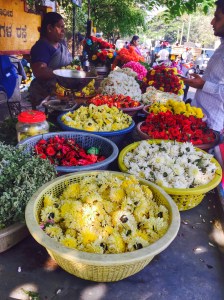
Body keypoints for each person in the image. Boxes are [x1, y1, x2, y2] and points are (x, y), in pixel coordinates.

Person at [182, 0, 224, 133]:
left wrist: (203, 84)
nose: (212, 22)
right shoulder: (221, 46)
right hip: (198, 118)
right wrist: (201, 81)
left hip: (211, 127)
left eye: (217, 17)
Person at [29, 12, 72, 109]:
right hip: (45, 98)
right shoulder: (41, 47)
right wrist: (63, 73)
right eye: (60, 27)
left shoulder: (61, 45)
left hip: (62, 94)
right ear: (49, 28)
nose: (63, 30)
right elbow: (39, 71)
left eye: (63, 27)